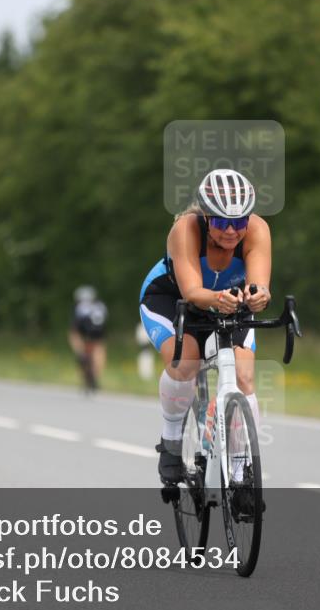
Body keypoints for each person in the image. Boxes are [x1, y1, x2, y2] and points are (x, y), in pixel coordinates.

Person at [138, 169, 271, 484]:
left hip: (228, 301)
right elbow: (192, 293)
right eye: (221, 221)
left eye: (238, 222)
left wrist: (258, 296)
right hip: (172, 299)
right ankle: (171, 442)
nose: (230, 231)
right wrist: (217, 298)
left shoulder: (258, 231)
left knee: (244, 375)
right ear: (206, 216)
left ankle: (239, 472)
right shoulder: (185, 230)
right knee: (187, 362)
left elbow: (259, 285)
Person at [68, 285, 108, 391]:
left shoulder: (80, 306)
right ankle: (96, 376)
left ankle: (81, 354)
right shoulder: (101, 305)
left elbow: (75, 327)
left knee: (74, 337)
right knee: (99, 348)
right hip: (98, 332)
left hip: (85, 331)